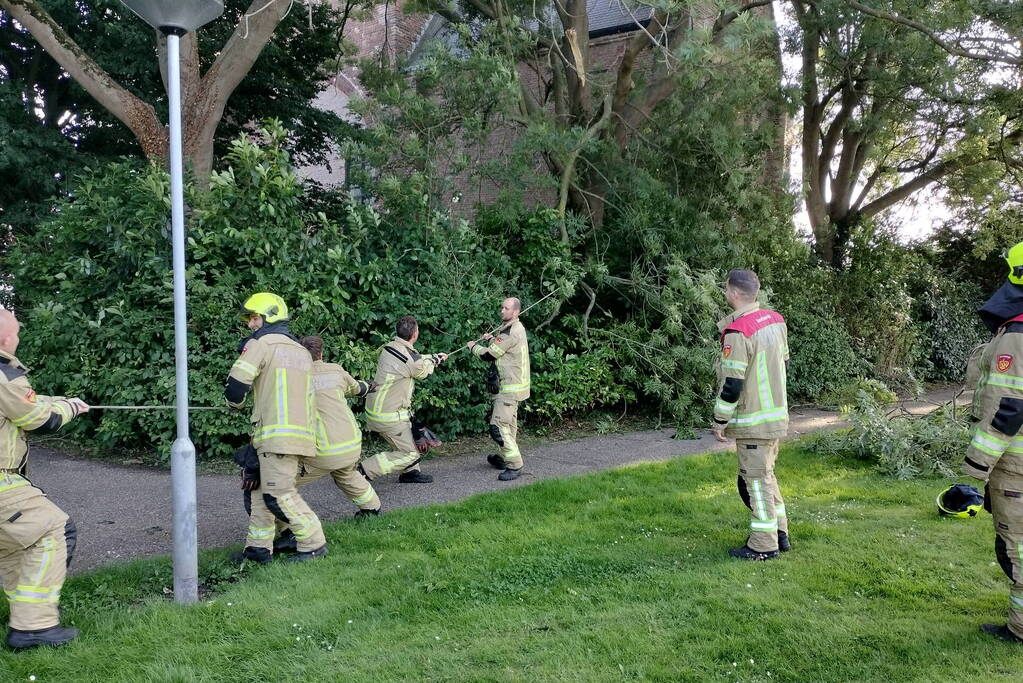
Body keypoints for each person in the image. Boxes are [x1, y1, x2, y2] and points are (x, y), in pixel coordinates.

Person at [0, 308, 89, 649]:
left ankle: (23, 611)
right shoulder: (5, 373)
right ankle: (32, 627)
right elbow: (40, 419)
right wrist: (68, 409)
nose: (18, 339)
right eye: (18, 333)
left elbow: (22, 405)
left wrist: (63, 401)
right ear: (8, 339)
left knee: (11, 544)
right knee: (55, 529)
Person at [225, 293, 326, 564]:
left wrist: (234, 404)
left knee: (277, 495)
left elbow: (236, 387)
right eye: (248, 319)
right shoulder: (301, 351)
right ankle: (258, 550)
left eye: (254, 317)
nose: (250, 324)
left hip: (275, 436)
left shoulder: (261, 344)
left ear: (269, 316)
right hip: (300, 436)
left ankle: (314, 544)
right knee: (260, 492)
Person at [961, 241, 1023, 644]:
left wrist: (973, 472)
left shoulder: (1016, 336)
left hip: (1016, 465)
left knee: (1017, 549)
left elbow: (1008, 410)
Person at [711, 270, 790, 561]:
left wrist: (720, 420)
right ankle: (780, 534)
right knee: (767, 478)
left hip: (753, 422)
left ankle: (762, 544)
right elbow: (781, 363)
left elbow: (733, 384)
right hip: (775, 417)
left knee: (755, 483)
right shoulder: (775, 321)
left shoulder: (738, 332)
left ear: (732, 293)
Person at [361, 316, 447, 483]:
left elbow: (416, 360)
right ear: (415, 334)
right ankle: (363, 471)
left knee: (405, 440)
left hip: (378, 408)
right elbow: (422, 371)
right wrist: (436, 360)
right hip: (388, 415)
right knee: (410, 454)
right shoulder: (411, 360)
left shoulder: (390, 347)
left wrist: (433, 357)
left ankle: (410, 473)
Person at [467, 297, 531, 481]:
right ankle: (505, 457)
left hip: (509, 388)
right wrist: (491, 339)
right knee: (509, 426)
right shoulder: (512, 329)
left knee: (497, 427)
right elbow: (502, 347)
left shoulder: (510, 332)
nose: (502, 310)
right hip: (515, 386)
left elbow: (490, 354)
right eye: (502, 307)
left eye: (506, 308)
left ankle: (515, 464)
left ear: (516, 312)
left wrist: (473, 347)